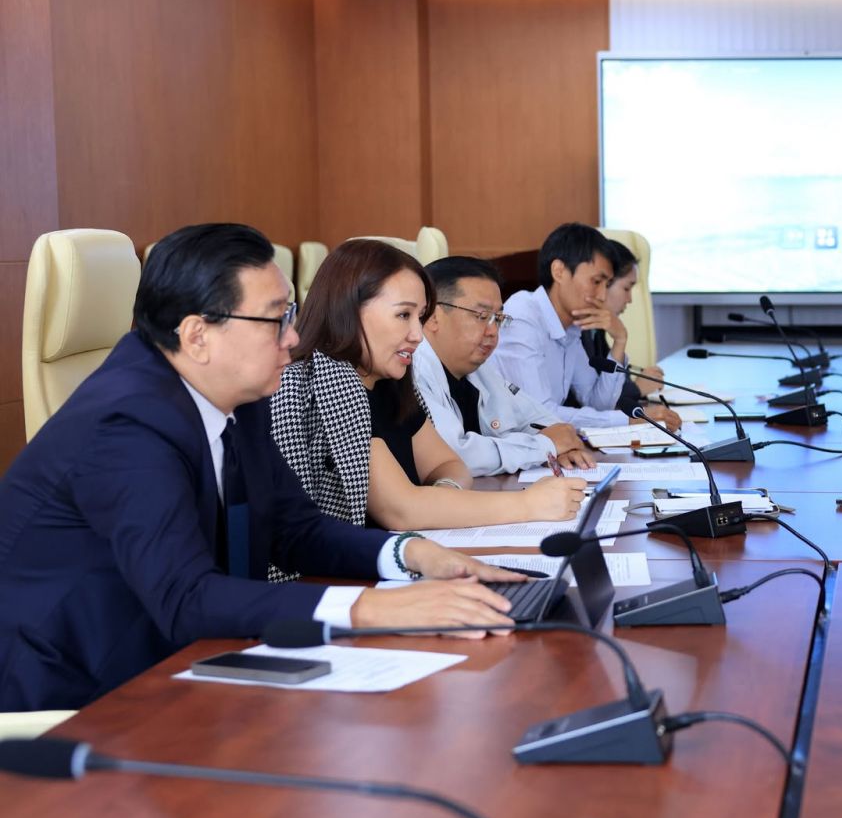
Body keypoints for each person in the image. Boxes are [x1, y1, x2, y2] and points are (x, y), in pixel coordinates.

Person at [0, 224, 523, 712]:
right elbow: (184, 597)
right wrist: (372, 609)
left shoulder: (237, 394)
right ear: (197, 335)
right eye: (276, 319)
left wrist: (411, 553)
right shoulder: (126, 424)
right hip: (70, 691)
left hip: (170, 659)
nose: (292, 338)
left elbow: (293, 530)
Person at [271, 239, 586, 541]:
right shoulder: (327, 381)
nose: (417, 335)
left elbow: (448, 464)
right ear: (350, 310)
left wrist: (442, 500)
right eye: (403, 315)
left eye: (419, 317)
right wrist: (528, 504)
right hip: (333, 571)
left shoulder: (389, 382)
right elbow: (401, 510)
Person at [413, 257, 595, 478]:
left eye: (498, 319)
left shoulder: (479, 371)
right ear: (433, 316)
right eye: (482, 316)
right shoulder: (413, 371)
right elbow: (451, 456)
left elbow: (542, 421)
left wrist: (565, 447)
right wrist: (544, 447)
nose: (493, 331)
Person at [497, 223, 681, 431]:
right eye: (596, 282)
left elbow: (597, 404)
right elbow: (539, 416)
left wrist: (619, 341)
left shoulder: (571, 328)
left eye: (606, 284)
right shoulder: (522, 316)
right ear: (559, 272)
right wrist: (628, 419)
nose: (602, 296)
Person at [571, 238, 668, 418]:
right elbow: (583, 402)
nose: (629, 299)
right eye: (626, 288)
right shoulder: (576, 329)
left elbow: (605, 389)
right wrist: (637, 388)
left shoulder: (594, 330)